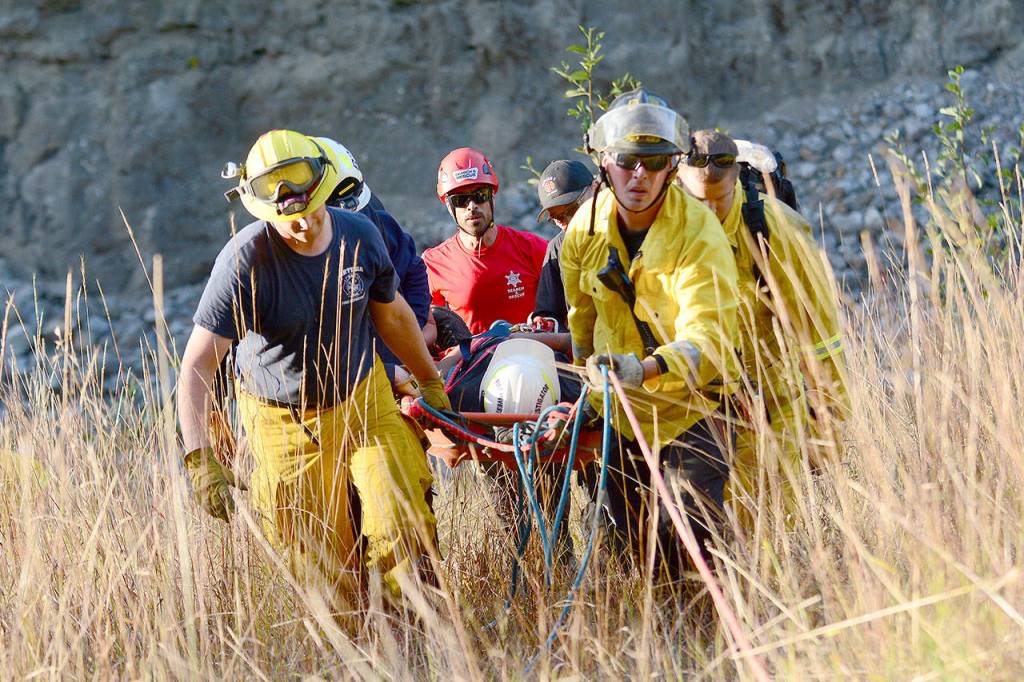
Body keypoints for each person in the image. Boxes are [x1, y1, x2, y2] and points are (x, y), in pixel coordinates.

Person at [178, 129, 451, 605]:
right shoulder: (244, 263)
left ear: (323, 186)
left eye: (310, 211)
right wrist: (200, 458)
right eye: (288, 220)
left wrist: (428, 380)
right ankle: (352, 638)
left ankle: (415, 629)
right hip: (283, 421)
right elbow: (198, 366)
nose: (303, 225)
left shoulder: (361, 236)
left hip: (364, 401)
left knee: (402, 512)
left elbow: (394, 317)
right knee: (319, 558)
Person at [560, 89, 740, 576]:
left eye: (655, 161)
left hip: (691, 411)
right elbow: (581, 320)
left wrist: (647, 368)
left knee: (691, 542)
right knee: (624, 549)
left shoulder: (699, 233)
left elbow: (710, 338)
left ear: (672, 167)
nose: (639, 174)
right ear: (604, 162)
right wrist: (587, 385)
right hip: (619, 415)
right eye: (627, 160)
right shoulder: (583, 231)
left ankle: (708, 620)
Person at [677, 130, 849, 523]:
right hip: (693, 412)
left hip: (770, 408)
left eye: (719, 201)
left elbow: (822, 339)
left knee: (765, 529)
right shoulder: (668, 224)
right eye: (699, 202)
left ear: (736, 183)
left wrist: (828, 434)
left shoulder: (776, 228)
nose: (710, 212)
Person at [315, 137, 436, 393]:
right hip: (342, 387)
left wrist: (410, 333)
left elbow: (413, 270)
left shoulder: (377, 223)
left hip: (394, 361)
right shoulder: (294, 260)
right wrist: (384, 369)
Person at [422, 148, 548, 335]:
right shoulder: (433, 264)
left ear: (492, 198)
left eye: (479, 195)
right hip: (471, 354)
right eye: (461, 200)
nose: (472, 206)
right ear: (449, 206)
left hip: (529, 351)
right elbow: (426, 329)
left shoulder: (535, 249)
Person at [530, 159, 595, 336]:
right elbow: (549, 313)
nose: (568, 222)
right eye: (558, 218)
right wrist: (545, 323)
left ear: (595, 189)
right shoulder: (557, 248)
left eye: (572, 210)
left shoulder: (625, 228)